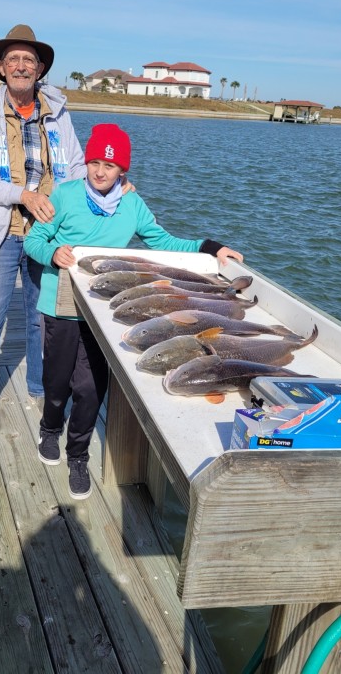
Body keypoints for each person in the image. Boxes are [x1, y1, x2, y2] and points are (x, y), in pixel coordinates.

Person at [24, 123, 243, 499]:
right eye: (93, 162)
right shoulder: (66, 195)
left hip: (106, 309)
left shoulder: (132, 205)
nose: (99, 171)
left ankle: (77, 455)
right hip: (60, 303)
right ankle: (49, 429)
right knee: (57, 380)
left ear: (122, 170)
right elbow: (34, 238)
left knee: (91, 389)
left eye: (108, 166)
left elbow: (165, 242)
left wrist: (212, 247)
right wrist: (52, 253)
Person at [0, 24, 87, 434]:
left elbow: (80, 170)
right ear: (0, 67)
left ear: (40, 68)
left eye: (28, 60)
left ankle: (39, 386)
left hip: (46, 236)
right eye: (12, 59)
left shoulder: (59, 114)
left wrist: (116, 183)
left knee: (40, 320)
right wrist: (22, 196)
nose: (20, 66)